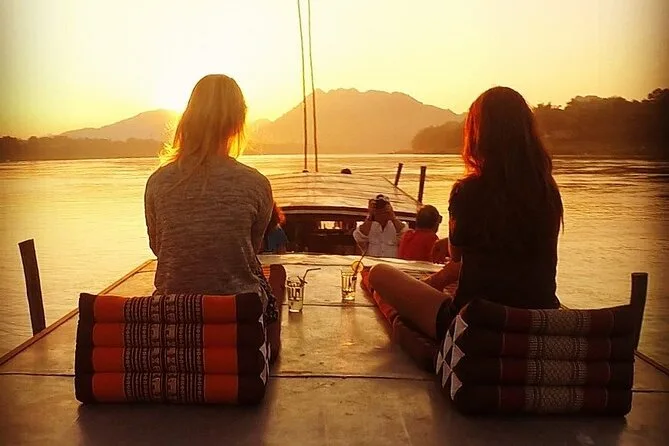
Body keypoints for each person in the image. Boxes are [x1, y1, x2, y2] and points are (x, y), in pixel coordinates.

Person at [369, 86, 563, 342]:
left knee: (379, 274)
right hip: (539, 318)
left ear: (478, 134)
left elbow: (456, 259)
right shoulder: (548, 191)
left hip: (473, 325)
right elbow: (513, 242)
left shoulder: (468, 191)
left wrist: (436, 272)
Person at [144, 74, 281, 359]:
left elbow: (159, 248)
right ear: (237, 123)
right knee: (275, 280)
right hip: (238, 323)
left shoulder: (158, 182)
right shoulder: (256, 183)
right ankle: (271, 347)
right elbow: (250, 249)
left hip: (173, 320)